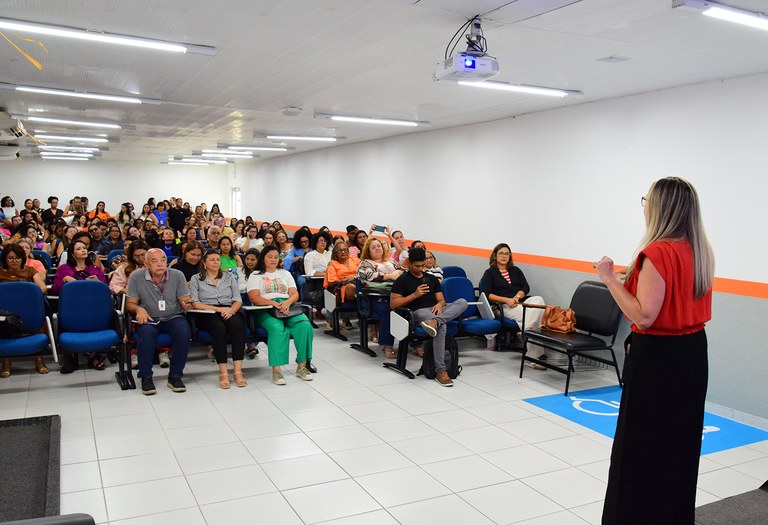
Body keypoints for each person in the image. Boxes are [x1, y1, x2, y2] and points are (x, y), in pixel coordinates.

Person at [596, 177, 714, 525]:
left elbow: (644, 316)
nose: (644, 205)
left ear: (658, 206)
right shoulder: (700, 250)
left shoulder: (658, 252)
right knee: (679, 446)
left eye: (646, 199)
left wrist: (609, 278)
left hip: (658, 360)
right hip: (692, 354)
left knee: (641, 448)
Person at [390, 248, 468, 386]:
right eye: (417, 266)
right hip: (418, 312)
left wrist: (439, 304)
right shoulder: (402, 280)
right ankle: (440, 371)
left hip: (437, 312)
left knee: (462, 302)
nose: (420, 269)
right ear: (409, 264)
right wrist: (415, 295)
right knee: (441, 327)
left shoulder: (431, 279)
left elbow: (441, 300)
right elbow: (393, 304)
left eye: (422, 266)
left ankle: (435, 322)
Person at [125, 248, 194, 395]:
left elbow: (184, 299)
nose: (160, 264)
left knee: (184, 331)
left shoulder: (177, 275)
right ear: (146, 263)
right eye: (154, 261)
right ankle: (146, 377)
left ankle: (175, 376)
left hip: (173, 316)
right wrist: (138, 310)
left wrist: (186, 303)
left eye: (163, 260)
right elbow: (130, 303)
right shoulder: (136, 277)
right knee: (146, 333)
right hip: (149, 317)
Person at [246, 245, 314, 385]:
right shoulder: (256, 274)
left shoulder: (285, 273)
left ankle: (302, 367)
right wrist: (273, 303)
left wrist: (287, 302)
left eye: (276, 257)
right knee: (277, 328)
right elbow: (254, 297)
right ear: (263, 258)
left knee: (305, 326)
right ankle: (276, 371)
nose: (273, 260)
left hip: (286, 306)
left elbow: (294, 293)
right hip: (264, 308)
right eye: (269, 257)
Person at [190, 249, 248, 389]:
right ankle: (223, 372)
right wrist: (218, 309)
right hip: (207, 312)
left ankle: (238, 370)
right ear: (204, 263)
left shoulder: (229, 277)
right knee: (218, 328)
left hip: (229, 309)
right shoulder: (196, 278)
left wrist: (231, 310)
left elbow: (237, 300)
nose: (216, 262)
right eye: (212, 260)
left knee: (238, 325)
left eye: (218, 259)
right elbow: (195, 303)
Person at [480, 242, 546, 363]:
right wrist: (507, 300)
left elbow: (525, 287)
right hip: (502, 306)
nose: (504, 256)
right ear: (495, 255)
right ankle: (533, 358)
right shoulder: (489, 273)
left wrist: (516, 297)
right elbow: (486, 294)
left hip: (518, 302)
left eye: (507, 254)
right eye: (501, 253)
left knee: (539, 300)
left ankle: (525, 331)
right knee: (535, 319)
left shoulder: (515, 270)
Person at [51, 239, 109, 372]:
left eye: (84, 248)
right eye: (79, 248)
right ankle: (71, 357)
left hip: (93, 306)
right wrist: (65, 281)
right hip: (72, 308)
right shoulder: (63, 269)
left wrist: (98, 283)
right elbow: (54, 290)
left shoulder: (94, 268)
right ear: (72, 253)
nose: (84, 250)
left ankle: (94, 354)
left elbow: (105, 288)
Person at [0, 244, 49, 377]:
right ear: (5, 259)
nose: (14, 261)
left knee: (38, 320)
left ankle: (39, 360)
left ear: (22, 258)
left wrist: (26, 293)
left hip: (28, 307)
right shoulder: (0, 272)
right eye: (10, 258)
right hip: (5, 310)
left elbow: (43, 288)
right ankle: (6, 362)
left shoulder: (30, 270)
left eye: (17, 258)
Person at [356, 237, 404, 358]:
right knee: (389, 311)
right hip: (375, 299)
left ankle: (416, 344)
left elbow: (402, 271)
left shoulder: (391, 261)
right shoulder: (365, 263)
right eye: (373, 247)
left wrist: (398, 274)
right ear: (368, 251)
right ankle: (387, 345)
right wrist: (389, 276)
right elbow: (368, 275)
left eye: (379, 246)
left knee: (412, 308)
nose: (377, 248)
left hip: (396, 294)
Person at [324, 241, 359, 330]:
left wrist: (353, 277)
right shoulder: (332, 263)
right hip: (341, 286)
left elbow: (363, 272)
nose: (344, 252)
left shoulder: (356, 260)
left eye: (345, 250)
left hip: (358, 281)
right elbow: (331, 281)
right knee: (351, 288)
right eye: (340, 251)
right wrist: (345, 279)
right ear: (335, 253)